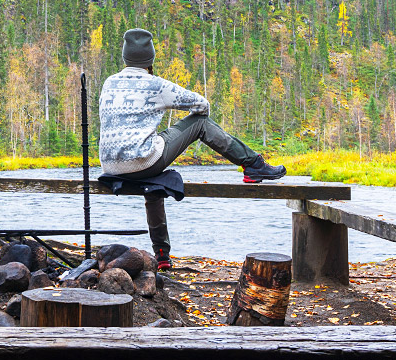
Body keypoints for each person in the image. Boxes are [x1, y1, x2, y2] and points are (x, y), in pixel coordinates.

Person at [97, 28, 285, 269]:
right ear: (150, 58)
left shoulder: (109, 83)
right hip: (143, 161)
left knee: (155, 182)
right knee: (200, 123)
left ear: (125, 57)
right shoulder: (155, 84)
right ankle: (253, 165)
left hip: (110, 166)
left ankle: (162, 255)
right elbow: (202, 104)